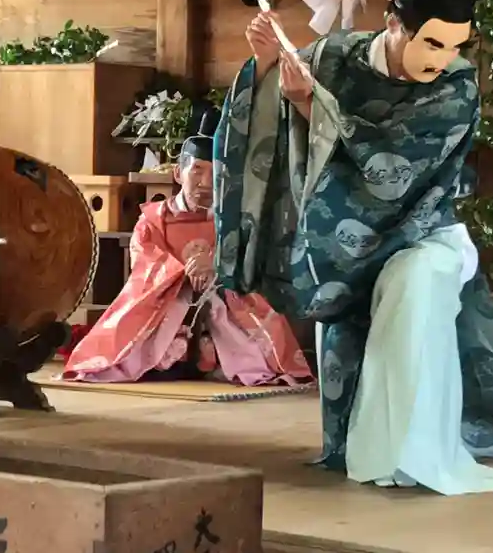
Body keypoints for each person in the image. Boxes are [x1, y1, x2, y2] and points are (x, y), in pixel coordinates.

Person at [212, 0, 493, 495]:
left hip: (426, 232)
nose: (445, 59)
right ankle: (371, 453)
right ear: (395, 23)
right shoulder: (335, 56)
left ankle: (415, 455)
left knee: (412, 286)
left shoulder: (457, 88)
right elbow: (278, 114)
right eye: (433, 44)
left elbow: (391, 158)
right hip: (350, 246)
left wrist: (310, 102)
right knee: (364, 305)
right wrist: (269, 65)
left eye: (457, 46)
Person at [63, 135, 312, 385]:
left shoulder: (234, 222)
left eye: (216, 174)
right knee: (165, 307)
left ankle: (215, 358)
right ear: (178, 173)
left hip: (223, 301)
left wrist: (218, 267)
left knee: (233, 308)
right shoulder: (153, 221)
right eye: (197, 171)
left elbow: (251, 261)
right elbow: (144, 267)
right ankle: (181, 358)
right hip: (166, 306)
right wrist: (183, 273)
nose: (206, 183)